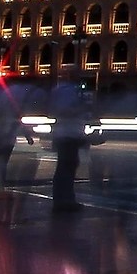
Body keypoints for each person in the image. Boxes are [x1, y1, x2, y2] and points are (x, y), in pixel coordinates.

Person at [46, 75, 93, 212]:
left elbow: (52, 110)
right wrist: (80, 110)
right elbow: (65, 110)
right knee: (68, 167)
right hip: (69, 133)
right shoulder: (71, 91)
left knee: (64, 167)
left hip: (63, 133)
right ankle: (65, 201)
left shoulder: (58, 90)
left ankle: (62, 199)